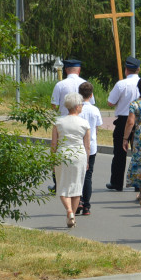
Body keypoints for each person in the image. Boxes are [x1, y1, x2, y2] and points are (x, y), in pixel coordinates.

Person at [51, 92, 90, 228]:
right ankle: (72, 214)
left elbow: (54, 144)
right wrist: (87, 161)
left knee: (62, 186)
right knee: (77, 186)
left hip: (63, 154)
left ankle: (68, 211)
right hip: (79, 155)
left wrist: (52, 160)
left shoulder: (58, 122)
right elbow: (87, 145)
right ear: (78, 106)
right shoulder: (84, 123)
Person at [106, 56, 140, 191]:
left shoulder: (121, 84)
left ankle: (117, 182)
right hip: (140, 118)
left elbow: (110, 102)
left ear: (126, 70)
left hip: (123, 119)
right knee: (138, 152)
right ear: (138, 69)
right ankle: (139, 183)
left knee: (120, 152)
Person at [76, 81, 104, 217]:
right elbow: (97, 128)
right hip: (91, 146)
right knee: (88, 175)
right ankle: (87, 205)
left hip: (78, 145)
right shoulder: (95, 110)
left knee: (77, 175)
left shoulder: (77, 109)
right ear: (91, 95)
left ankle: (78, 201)